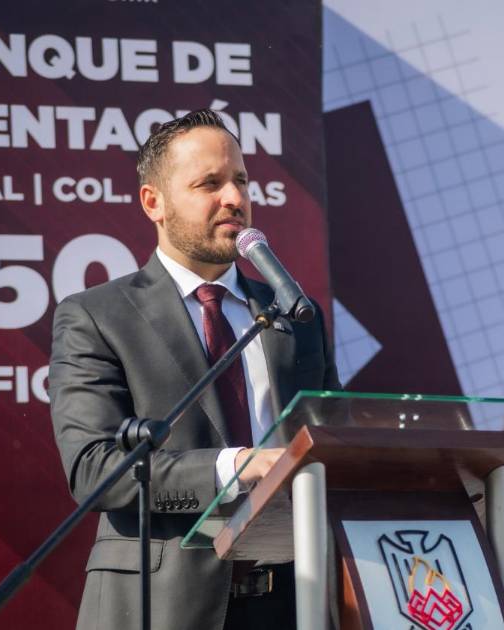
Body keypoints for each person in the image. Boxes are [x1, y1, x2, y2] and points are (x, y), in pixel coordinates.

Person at [48, 109, 339, 630]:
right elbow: (95, 470)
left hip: (297, 602)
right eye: (210, 183)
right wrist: (239, 465)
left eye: (241, 181)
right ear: (153, 202)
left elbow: (335, 446)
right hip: (162, 605)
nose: (235, 198)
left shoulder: (294, 315)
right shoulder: (96, 316)